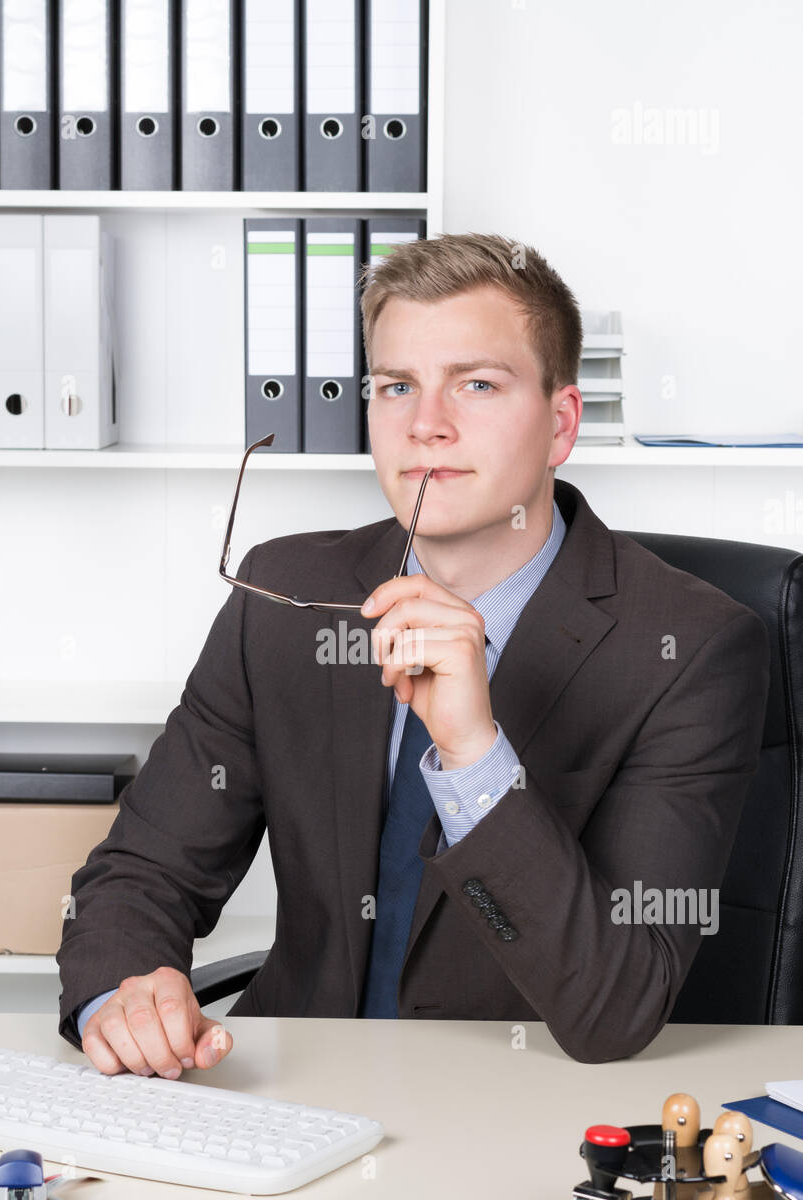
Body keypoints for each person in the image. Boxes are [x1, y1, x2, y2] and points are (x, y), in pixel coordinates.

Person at [56, 232, 770, 1073]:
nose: (427, 426)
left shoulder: (691, 648)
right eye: (397, 386)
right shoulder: (282, 595)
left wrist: (474, 755)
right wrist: (127, 992)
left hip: (512, 1106)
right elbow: (142, 872)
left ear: (561, 424)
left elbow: (614, 1009)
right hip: (292, 1086)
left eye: (476, 384)